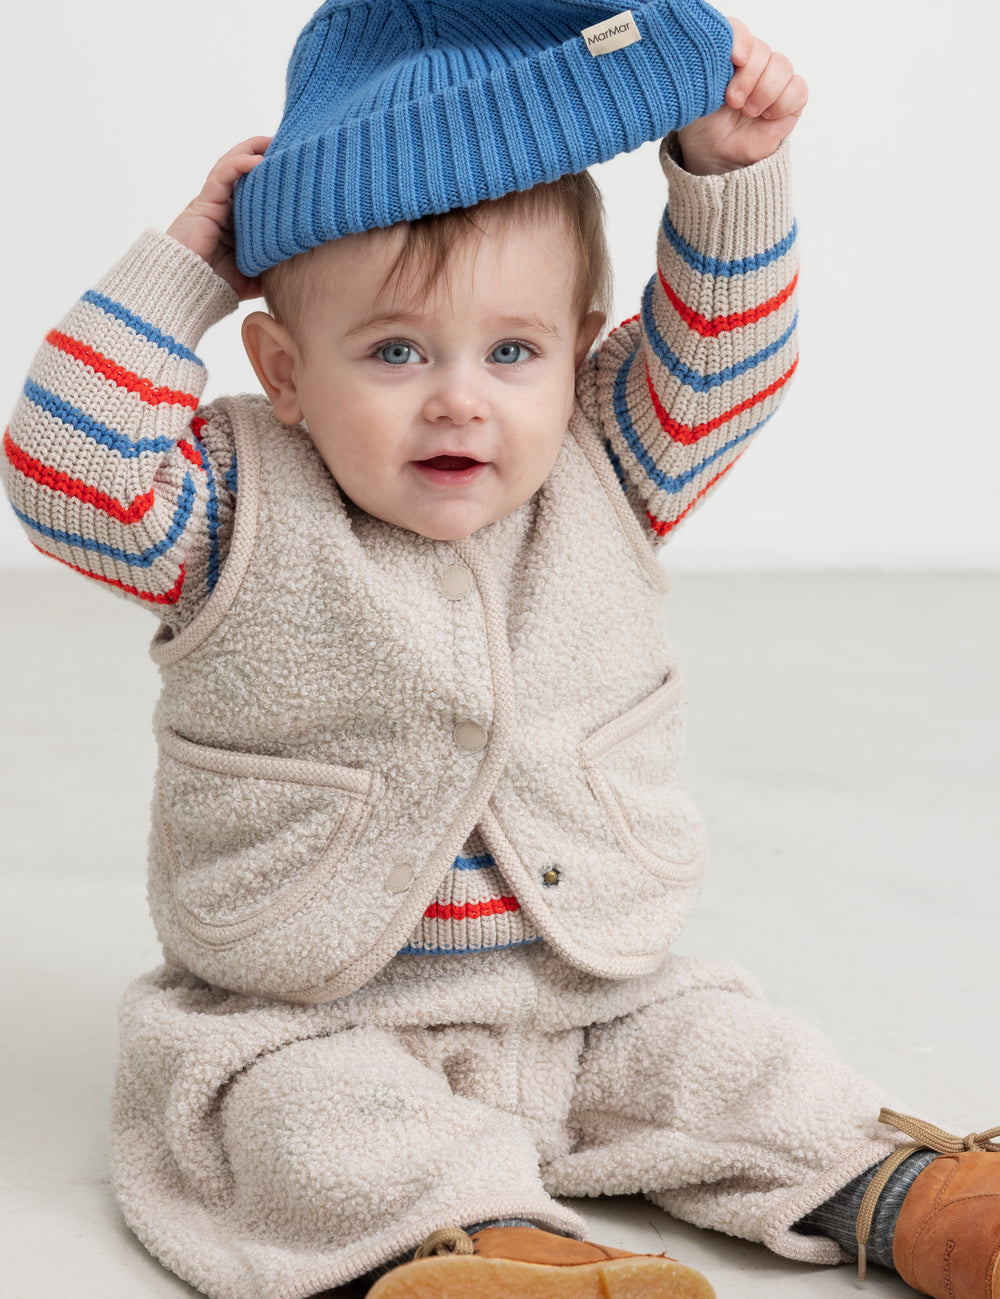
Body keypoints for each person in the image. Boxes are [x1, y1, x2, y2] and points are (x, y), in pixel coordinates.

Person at [4, 3, 999, 1297]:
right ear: (286, 370)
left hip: (590, 996)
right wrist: (183, 265)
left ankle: (915, 1195)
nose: (460, 395)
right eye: (397, 350)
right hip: (315, 1010)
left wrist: (729, 174)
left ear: (579, 349)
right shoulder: (231, 501)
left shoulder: (610, 452)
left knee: (733, 1056)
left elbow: (732, 350)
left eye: (514, 350)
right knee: (311, 1121)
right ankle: (492, 1254)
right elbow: (65, 469)